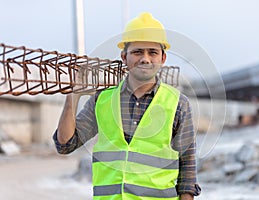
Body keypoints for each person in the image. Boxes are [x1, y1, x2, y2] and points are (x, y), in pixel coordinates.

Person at [53, 12, 201, 200]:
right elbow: (65, 144)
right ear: (124, 57)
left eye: (152, 52)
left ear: (163, 58)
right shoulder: (102, 100)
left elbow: (187, 167)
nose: (145, 59)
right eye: (137, 52)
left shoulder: (178, 103)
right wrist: (73, 96)